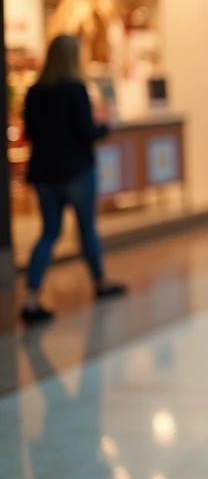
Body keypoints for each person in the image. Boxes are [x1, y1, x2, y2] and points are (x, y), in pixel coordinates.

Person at [20, 35, 126, 324]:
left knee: (48, 233)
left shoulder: (34, 92)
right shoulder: (75, 90)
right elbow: (87, 133)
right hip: (77, 171)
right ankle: (101, 283)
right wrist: (106, 126)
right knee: (87, 230)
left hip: (44, 174)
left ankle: (31, 298)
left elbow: (28, 132)